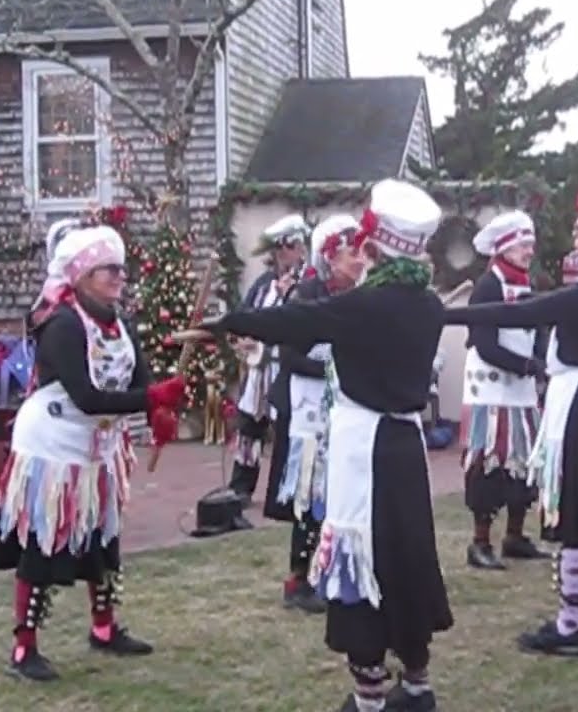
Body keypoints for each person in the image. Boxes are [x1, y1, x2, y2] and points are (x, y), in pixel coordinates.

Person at [194, 179, 453, 712]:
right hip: (407, 447)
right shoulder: (427, 305)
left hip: (365, 451)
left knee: (361, 558)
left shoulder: (365, 305)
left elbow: (296, 320)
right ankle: (418, 684)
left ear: (374, 247)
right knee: (407, 556)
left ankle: (369, 697)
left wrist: (229, 321)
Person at [443, 187, 578, 656]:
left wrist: (443, 317)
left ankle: (569, 625)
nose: (574, 243)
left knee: (576, 508)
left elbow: (521, 312)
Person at [0, 224, 185, 681]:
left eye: (120, 268)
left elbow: (139, 381)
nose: (118, 276)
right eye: (106, 269)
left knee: (102, 537)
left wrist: (157, 408)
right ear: (80, 276)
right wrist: (149, 399)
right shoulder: (62, 325)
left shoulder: (120, 323)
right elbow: (86, 397)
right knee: (44, 542)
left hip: (98, 447)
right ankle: (24, 648)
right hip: (53, 447)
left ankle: (103, 628)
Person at [264, 213, 364, 613]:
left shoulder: (359, 297)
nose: (360, 259)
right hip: (306, 411)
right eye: (352, 253)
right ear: (330, 257)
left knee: (338, 491)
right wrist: (336, 369)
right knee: (308, 494)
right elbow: (289, 356)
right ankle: (297, 579)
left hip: (343, 408)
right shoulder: (306, 295)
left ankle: (328, 571)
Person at [459, 210, 550, 570]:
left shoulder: (527, 284)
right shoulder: (488, 286)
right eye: (523, 245)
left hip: (521, 391)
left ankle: (515, 535)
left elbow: (538, 325)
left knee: (523, 461)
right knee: (490, 462)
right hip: (492, 392)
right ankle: (479, 542)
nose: (530, 251)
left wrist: (540, 359)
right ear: (505, 248)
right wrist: (526, 366)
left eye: (531, 244)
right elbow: (484, 342)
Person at [227, 214, 309, 505]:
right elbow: (246, 315)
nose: (284, 254)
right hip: (258, 369)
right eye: (279, 248)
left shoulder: (306, 285)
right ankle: (241, 488)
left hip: (286, 369)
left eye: (290, 247)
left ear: (301, 248)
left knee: (286, 430)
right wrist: (241, 338)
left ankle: (285, 493)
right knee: (249, 427)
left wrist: (290, 295)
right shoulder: (264, 284)